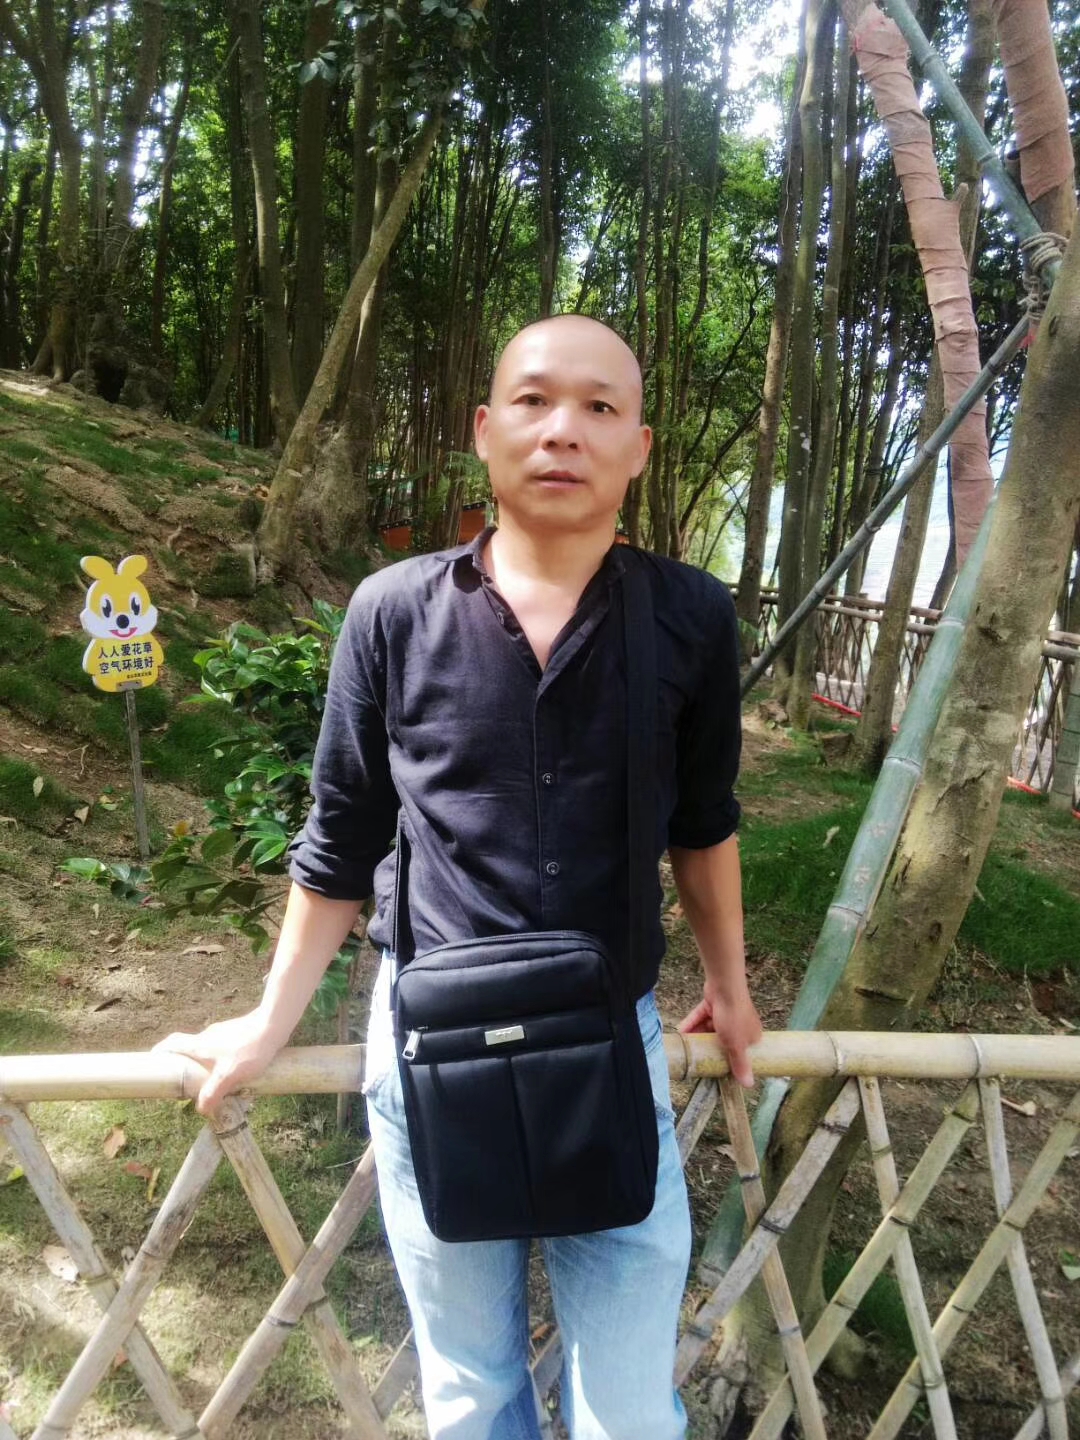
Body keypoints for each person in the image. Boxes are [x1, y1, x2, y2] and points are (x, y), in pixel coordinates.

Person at [156, 313, 762, 1440]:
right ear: (484, 432)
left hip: (612, 1035)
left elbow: (703, 824)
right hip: (432, 1039)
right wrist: (270, 1019)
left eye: (600, 407)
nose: (562, 430)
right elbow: (341, 836)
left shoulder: (689, 616)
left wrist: (728, 985)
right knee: (472, 1391)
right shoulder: (392, 610)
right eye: (533, 401)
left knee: (631, 1409)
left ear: (639, 448)